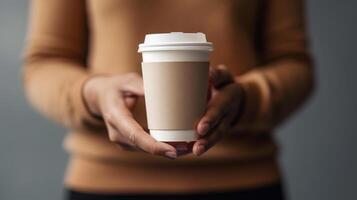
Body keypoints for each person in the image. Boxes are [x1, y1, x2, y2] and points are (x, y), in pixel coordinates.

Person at [22, 0, 314, 199]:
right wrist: (93, 94)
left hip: (245, 180)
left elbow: (293, 61)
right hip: (106, 183)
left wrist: (247, 98)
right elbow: (45, 62)